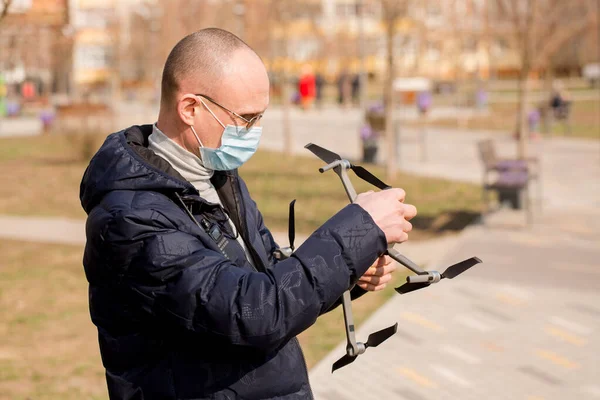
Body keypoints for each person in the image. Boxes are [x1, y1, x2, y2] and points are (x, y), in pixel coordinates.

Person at [80, 28, 416, 400]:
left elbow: (271, 279)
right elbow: (252, 312)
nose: (255, 131)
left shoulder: (218, 178)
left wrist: (349, 272)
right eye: (247, 118)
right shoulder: (131, 220)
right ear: (190, 108)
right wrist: (357, 230)